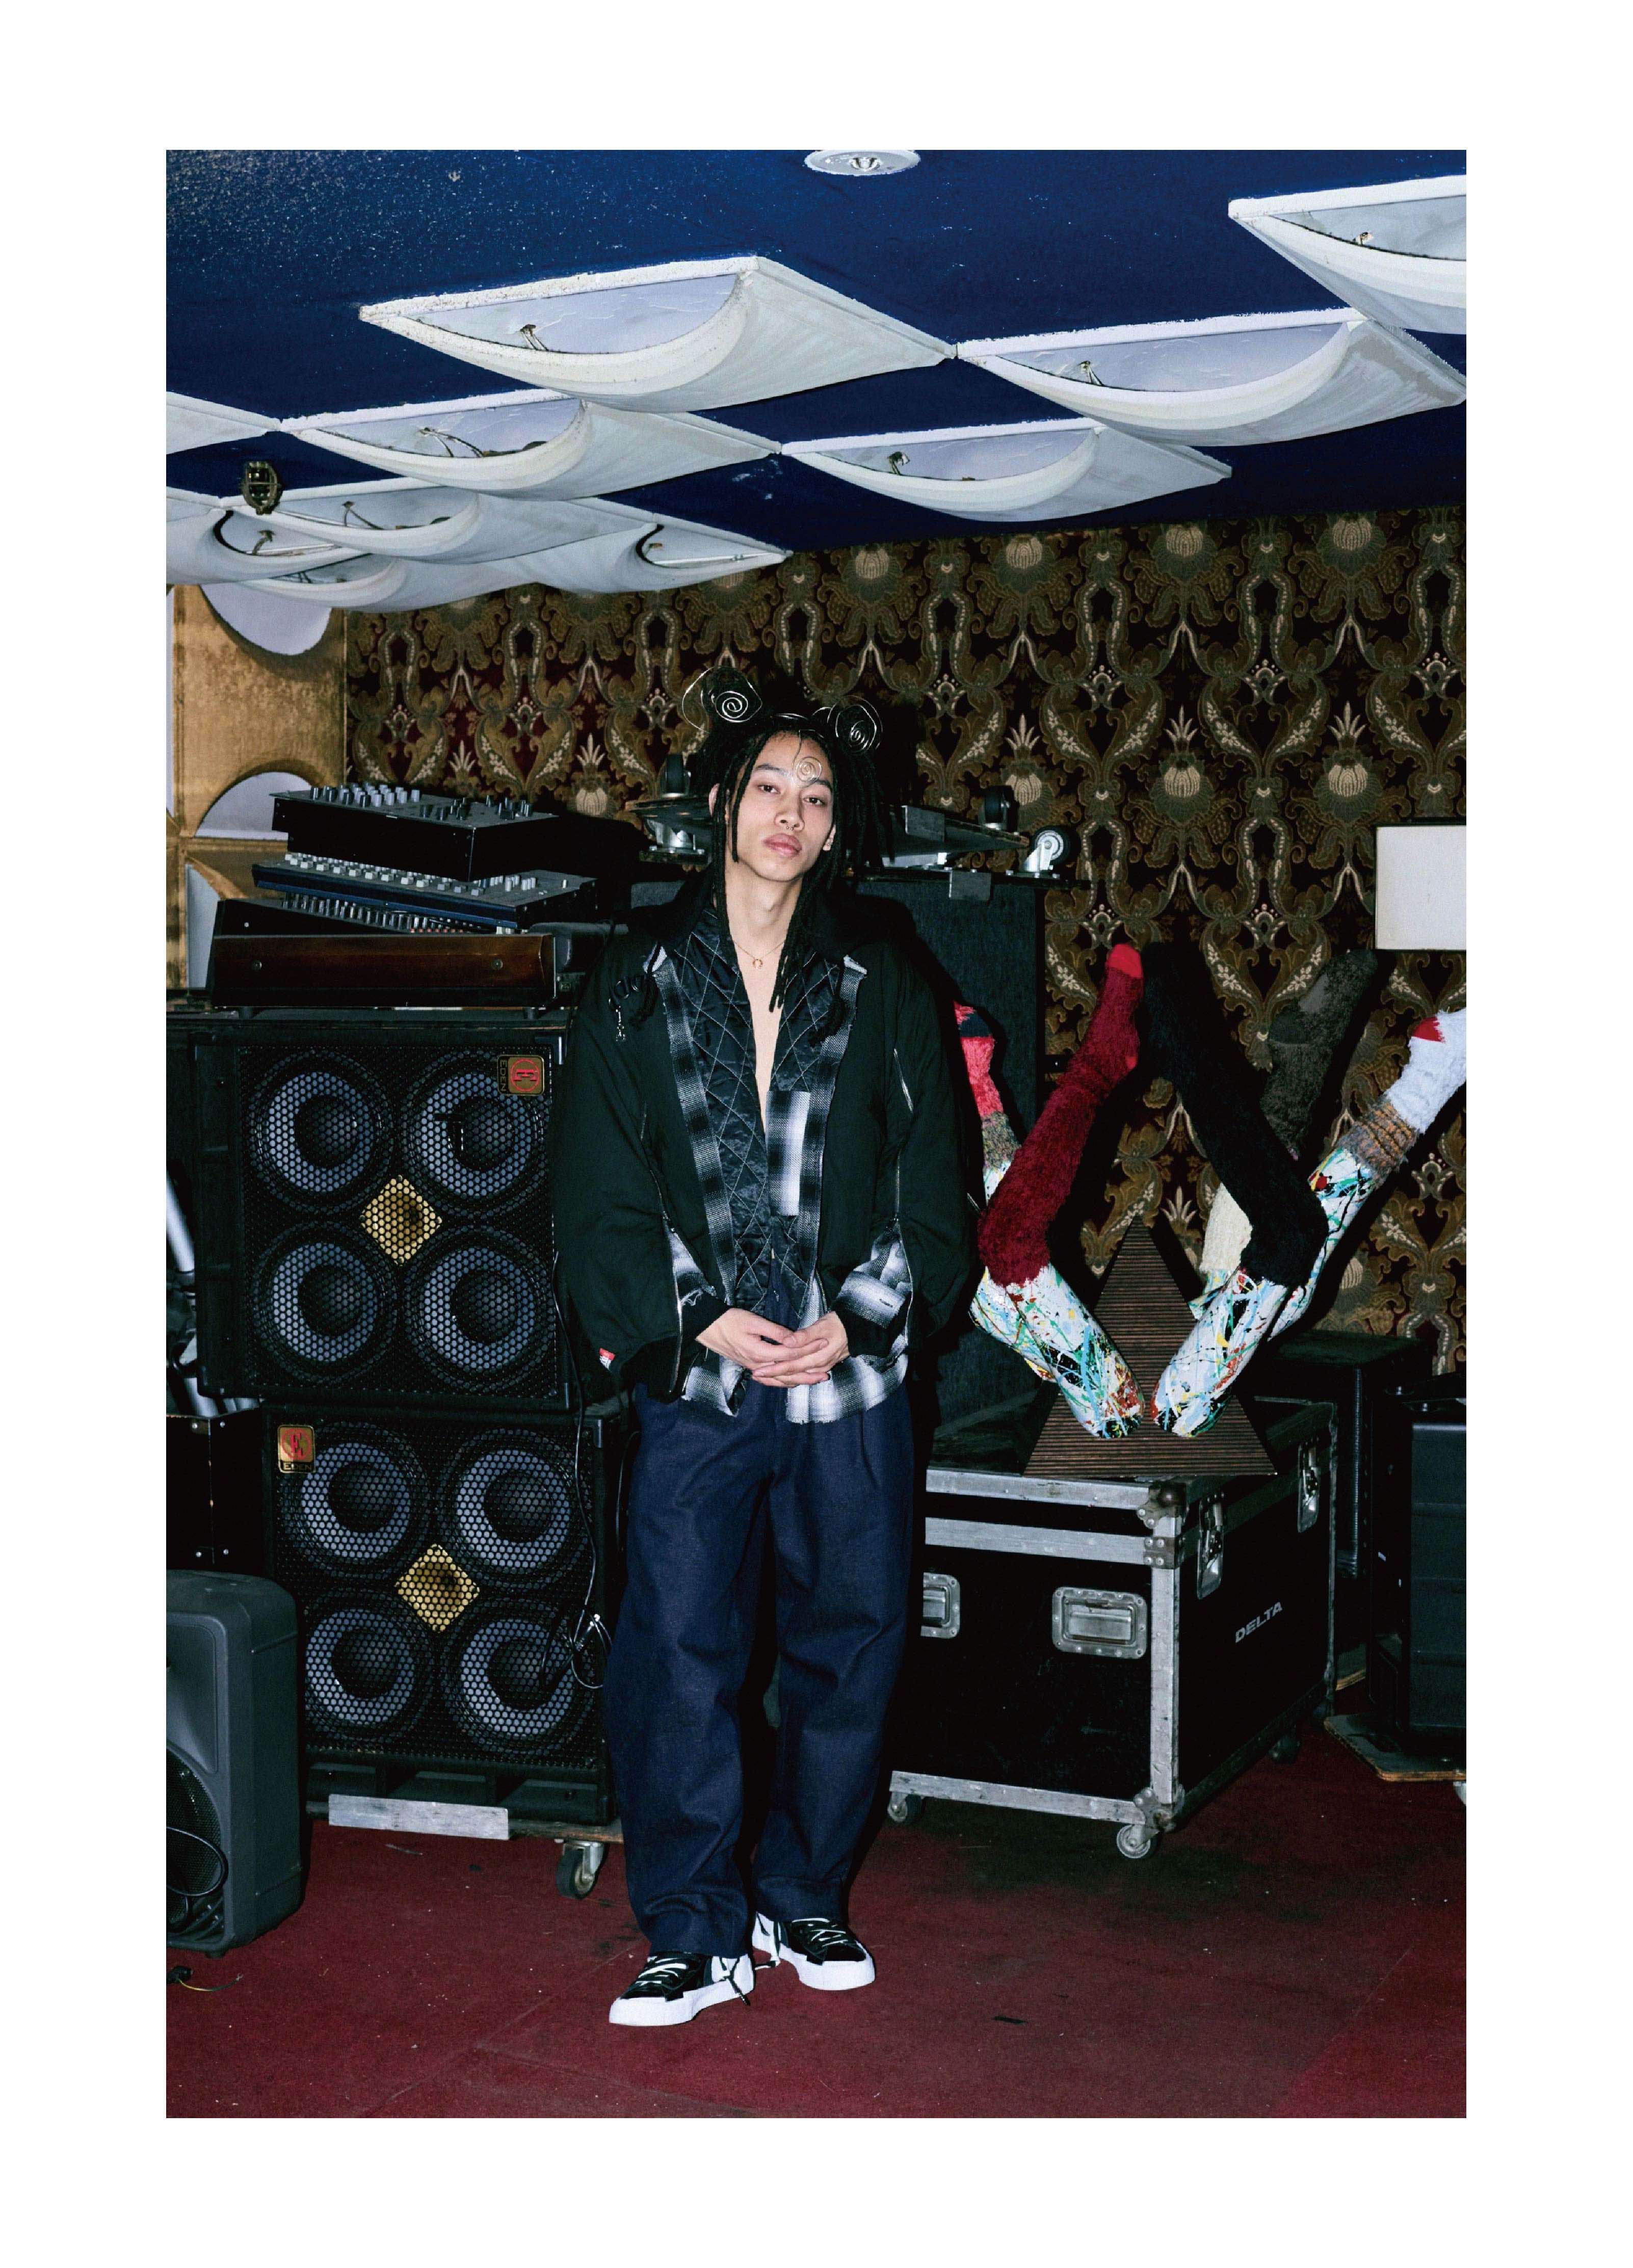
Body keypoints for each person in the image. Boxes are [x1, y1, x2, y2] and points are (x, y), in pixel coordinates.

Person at [551, 665, 972, 2027]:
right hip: (703, 1368)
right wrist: (694, 1314)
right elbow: (597, 1184)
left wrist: (859, 1314)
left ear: (838, 826)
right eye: (769, 786)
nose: (790, 813)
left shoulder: (885, 976)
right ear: (723, 801)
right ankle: (691, 1927)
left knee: (853, 1636)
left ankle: (803, 1893)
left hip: (849, 1371)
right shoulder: (634, 980)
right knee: (678, 1644)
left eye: (817, 795)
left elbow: (933, 1177)